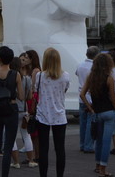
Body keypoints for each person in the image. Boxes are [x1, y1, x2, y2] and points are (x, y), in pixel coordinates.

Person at [81, 53, 115, 177]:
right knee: (106, 141)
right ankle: (103, 168)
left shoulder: (91, 77)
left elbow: (82, 94)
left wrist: (90, 108)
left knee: (99, 141)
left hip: (96, 113)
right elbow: (113, 99)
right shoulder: (109, 78)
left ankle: (97, 166)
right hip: (109, 112)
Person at [0, 46, 24, 177]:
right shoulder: (16, 74)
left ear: (0, 58)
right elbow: (21, 96)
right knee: (8, 147)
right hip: (11, 109)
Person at [36, 47, 71, 177]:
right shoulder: (65, 76)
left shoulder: (40, 76)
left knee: (43, 149)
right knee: (60, 149)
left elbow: (36, 92)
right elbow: (64, 91)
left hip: (43, 115)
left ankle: (43, 175)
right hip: (59, 115)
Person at [11, 57, 35, 169]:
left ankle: (16, 162)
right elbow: (30, 96)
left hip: (13, 109)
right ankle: (31, 160)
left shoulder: (10, 78)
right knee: (26, 135)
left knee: (11, 135)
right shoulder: (27, 79)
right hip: (24, 110)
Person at [76, 45, 100, 153]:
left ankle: (82, 144)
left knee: (83, 122)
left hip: (81, 97)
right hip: (91, 98)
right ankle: (88, 145)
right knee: (91, 122)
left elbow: (77, 74)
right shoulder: (95, 67)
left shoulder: (80, 65)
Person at [21, 50, 42, 167]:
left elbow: (33, 87)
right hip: (30, 99)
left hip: (32, 100)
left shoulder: (35, 71)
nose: (25, 60)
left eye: (27, 58)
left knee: (33, 130)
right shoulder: (30, 70)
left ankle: (35, 155)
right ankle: (34, 154)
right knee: (31, 130)